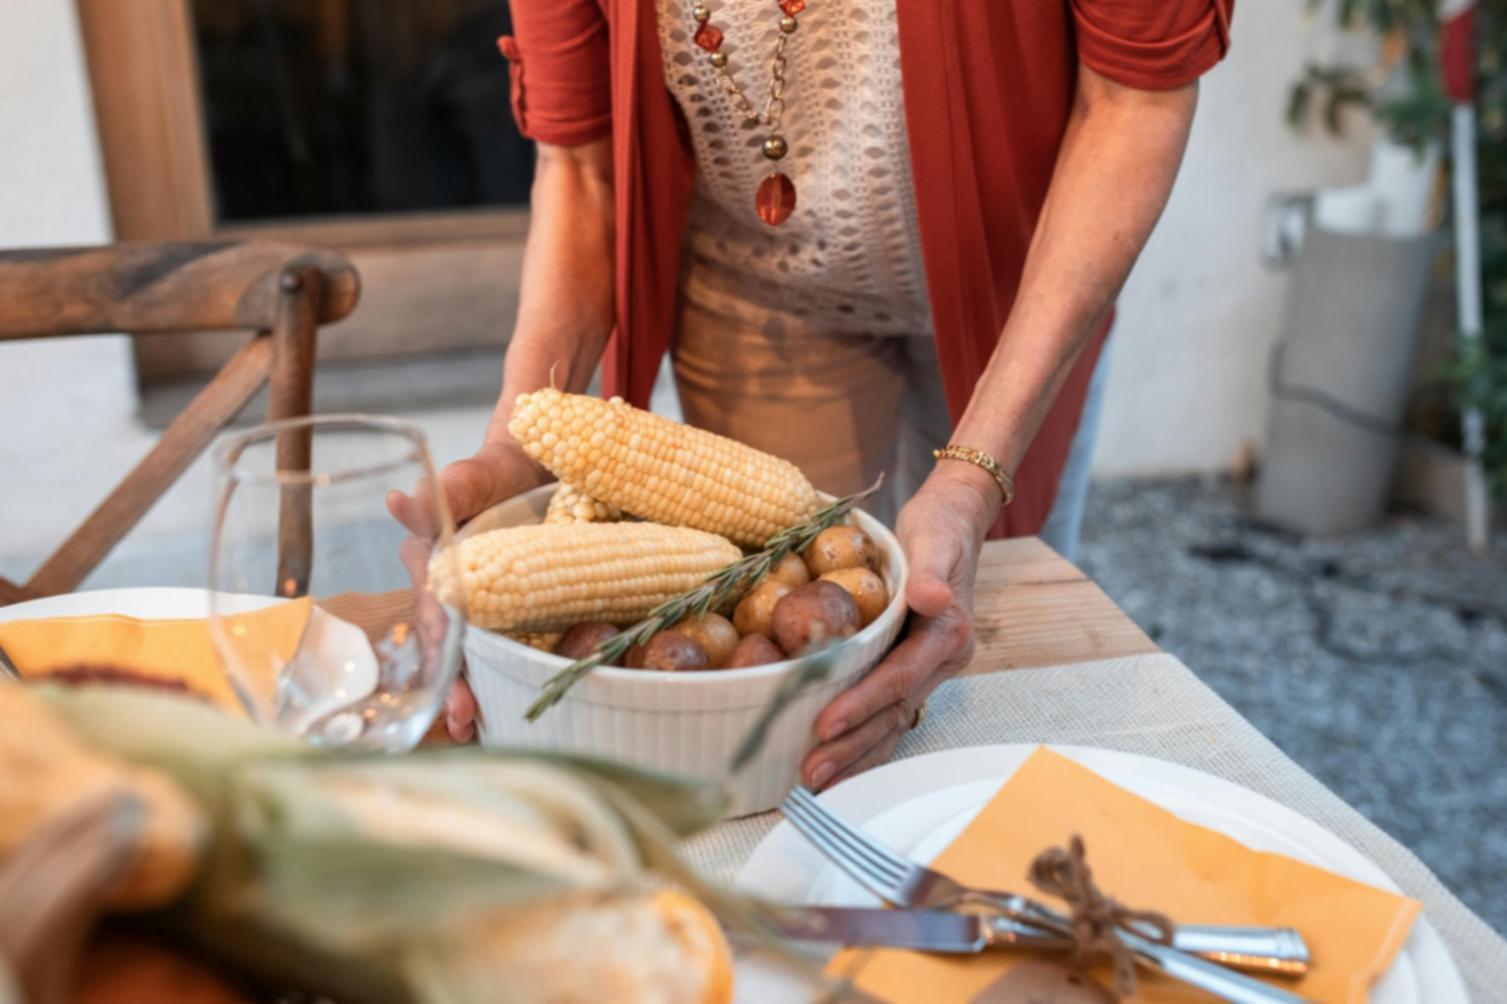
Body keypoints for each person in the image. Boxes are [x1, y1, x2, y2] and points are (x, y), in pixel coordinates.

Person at [392, 0, 1234, 789]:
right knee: (792, 702)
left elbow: (1133, 103)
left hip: (1022, 276)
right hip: (761, 292)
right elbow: (582, 164)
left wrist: (972, 484)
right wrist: (514, 446)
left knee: (981, 648)